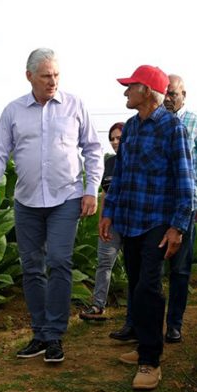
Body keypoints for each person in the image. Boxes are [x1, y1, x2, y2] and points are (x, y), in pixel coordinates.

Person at [0, 48, 103, 363]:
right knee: (31, 267)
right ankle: (40, 333)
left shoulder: (75, 105)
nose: (53, 81)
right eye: (46, 75)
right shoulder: (13, 111)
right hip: (27, 200)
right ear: (29, 76)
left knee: (59, 261)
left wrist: (91, 189)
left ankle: (55, 335)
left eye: (56, 75)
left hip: (67, 197)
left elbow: (92, 148)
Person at [100, 65, 194, 390]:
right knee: (136, 284)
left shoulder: (173, 129)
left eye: (131, 86)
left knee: (148, 289)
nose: (126, 92)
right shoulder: (130, 127)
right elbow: (120, 176)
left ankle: (150, 361)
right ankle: (144, 345)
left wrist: (178, 227)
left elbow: (185, 182)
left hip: (158, 222)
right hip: (130, 221)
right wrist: (109, 212)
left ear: (148, 91)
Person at [162, 74, 197, 343]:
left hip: (186, 205)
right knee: (148, 267)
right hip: (156, 206)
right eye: (164, 93)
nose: (168, 98)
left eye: (173, 93)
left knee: (180, 269)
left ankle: (174, 324)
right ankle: (139, 323)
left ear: (184, 95)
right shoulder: (156, 122)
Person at [79, 122, 124, 322]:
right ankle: (97, 306)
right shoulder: (110, 163)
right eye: (112, 139)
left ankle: (137, 308)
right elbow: (105, 193)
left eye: (119, 138)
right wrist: (101, 221)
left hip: (133, 223)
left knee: (136, 266)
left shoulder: (137, 160)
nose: (115, 142)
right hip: (111, 223)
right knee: (104, 263)